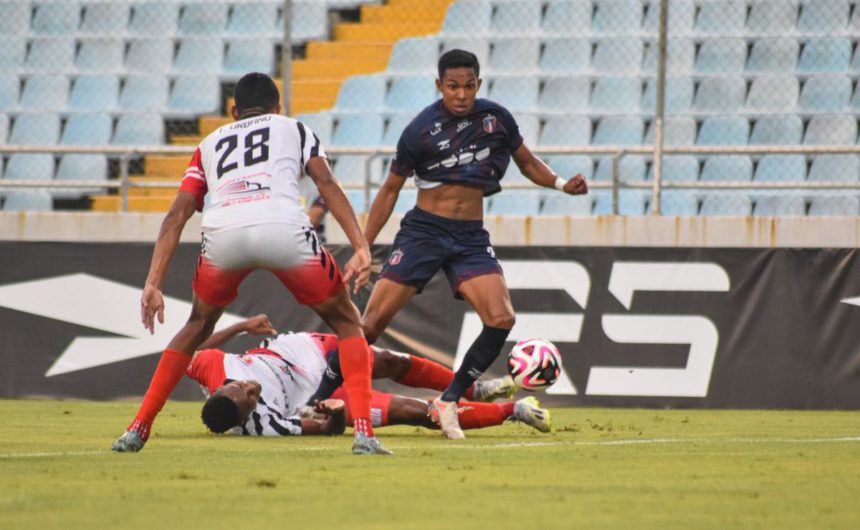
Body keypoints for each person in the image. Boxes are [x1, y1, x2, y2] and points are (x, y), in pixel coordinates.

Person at [112, 73, 387, 455]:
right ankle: (364, 435)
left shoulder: (208, 144)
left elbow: (178, 212)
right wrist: (360, 245)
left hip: (224, 233)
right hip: (283, 226)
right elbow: (326, 183)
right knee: (346, 322)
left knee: (196, 326)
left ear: (232, 112)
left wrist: (153, 282)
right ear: (277, 108)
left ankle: (137, 429)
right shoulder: (293, 128)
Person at [360, 49, 588, 439]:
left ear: (478, 85)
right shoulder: (419, 130)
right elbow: (389, 190)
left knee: (500, 318)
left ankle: (447, 401)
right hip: (423, 233)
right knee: (369, 325)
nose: (461, 94)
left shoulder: (496, 119)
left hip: (469, 238)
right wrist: (363, 248)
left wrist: (561, 184)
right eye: (453, 87)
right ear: (439, 86)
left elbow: (528, 162)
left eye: (468, 86)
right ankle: (320, 395)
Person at [188, 315, 550, 437]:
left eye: (240, 385)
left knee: (390, 360)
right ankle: (513, 411)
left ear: (222, 386)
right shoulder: (265, 426)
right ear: (246, 416)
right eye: (250, 397)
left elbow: (192, 347)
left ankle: (473, 388)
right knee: (417, 413)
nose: (250, 385)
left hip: (302, 350)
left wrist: (241, 326)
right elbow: (326, 429)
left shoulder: (212, 368)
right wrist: (338, 414)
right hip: (314, 398)